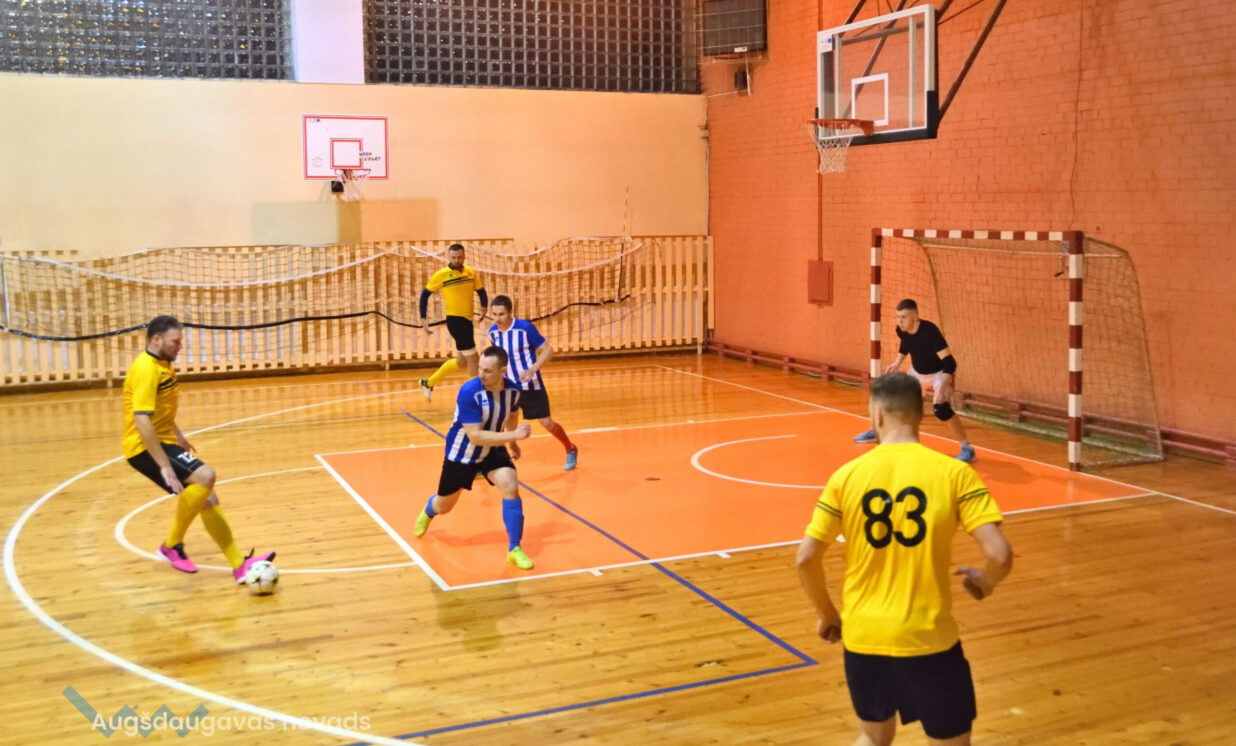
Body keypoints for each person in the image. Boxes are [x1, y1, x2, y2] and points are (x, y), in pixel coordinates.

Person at [798, 372, 1013, 746]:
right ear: (920, 414)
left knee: (873, 737)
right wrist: (985, 581)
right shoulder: (955, 474)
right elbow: (999, 554)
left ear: (878, 414)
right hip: (930, 641)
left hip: (864, 638)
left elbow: (805, 559)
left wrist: (828, 615)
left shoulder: (845, 477)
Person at [123, 315, 275, 583]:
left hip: (164, 440)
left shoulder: (162, 364)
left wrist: (178, 434)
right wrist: (164, 466)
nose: (180, 346)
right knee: (206, 476)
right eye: (175, 341)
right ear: (156, 340)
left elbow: (159, 408)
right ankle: (172, 545)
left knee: (207, 498)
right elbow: (142, 420)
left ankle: (239, 566)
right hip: (143, 447)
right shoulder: (146, 368)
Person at [413, 345, 536, 570]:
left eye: (487, 370)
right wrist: (513, 435)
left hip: (493, 449)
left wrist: (512, 442)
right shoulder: (470, 391)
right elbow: (475, 436)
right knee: (444, 506)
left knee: (510, 484)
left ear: (502, 371)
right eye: (480, 368)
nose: (481, 374)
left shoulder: (514, 391)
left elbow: (512, 414)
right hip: (463, 453)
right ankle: (429, 510)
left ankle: (514, 549)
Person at [855, 299, 976, 462]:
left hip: (939, 374)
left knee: (941, 409)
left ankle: (967, 448)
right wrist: (897, 363)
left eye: (904, 317)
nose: (900, 321)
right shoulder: (902, 330)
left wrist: (942, 385)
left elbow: (950, 362)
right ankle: (880, 433)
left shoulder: (930, 331)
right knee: (895, 399)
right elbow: (906, 344)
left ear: (916, 317)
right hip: (918, 374)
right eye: (898, 317)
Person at [487, 295, 579, 471]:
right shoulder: (493, 332)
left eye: (501, 314)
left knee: (546, 422)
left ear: (510, 312)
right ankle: (511, 446)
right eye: (495, 314)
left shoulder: (524, 328)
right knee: (508, 419)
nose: (497, 319)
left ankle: (570, 448)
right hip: (508, 386)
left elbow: (548, 350)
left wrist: (533, 369)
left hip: (530, 385)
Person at [418, 242, 489, 402]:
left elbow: (481, 291)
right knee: (473, 359)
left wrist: (484, 306)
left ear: (464, 257)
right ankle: (475, 397)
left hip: (468, 321)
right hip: (456, 322)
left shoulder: (471, 272)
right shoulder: (441, 275)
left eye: (459, 257)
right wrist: (423, 318)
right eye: (453, 257)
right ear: (449, 257)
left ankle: (428, 383)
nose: (456, 260)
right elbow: (424, 295)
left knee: (461, 361)